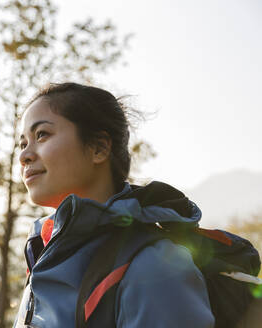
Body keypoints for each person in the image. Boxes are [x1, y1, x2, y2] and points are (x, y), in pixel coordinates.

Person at [13, 82, 216, 327]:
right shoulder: (42, 254)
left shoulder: (153, 267)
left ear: (99, 148)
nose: (25, 155)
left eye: (42, 135)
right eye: (23, 143)